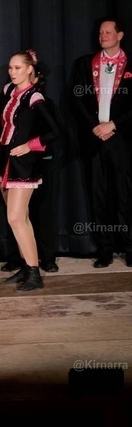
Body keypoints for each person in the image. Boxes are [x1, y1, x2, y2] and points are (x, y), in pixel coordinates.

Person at [0, 49, 60, 292]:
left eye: (17, 68)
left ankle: (34, 273)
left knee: (16, 218)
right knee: (21, 218)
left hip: (23, 163)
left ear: (30, 69)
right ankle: (27, 266)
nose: (12, 72)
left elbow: (54, 131)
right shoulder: (9, 91)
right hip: (4, 159)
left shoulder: (34, 97)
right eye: (10, 68)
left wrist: (30, 145)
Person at [71, 18, 132, 268]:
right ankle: (104, 250)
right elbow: (76, 100)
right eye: (100, 32)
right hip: (95, 138)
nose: (103, 35)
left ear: (120, 35)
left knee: (125, 194)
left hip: (122, 139)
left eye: (108, 32)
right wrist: (95, 127)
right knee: (99, 195)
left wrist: (114, 124)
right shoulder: (84, 64)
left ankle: (129, 247)